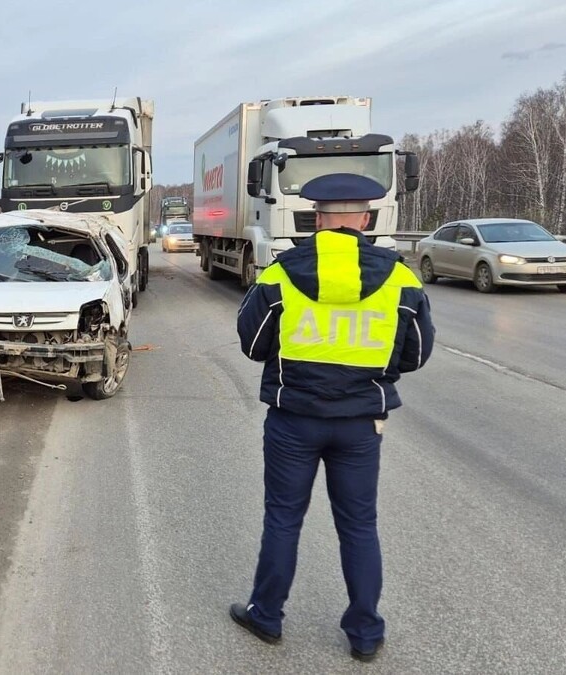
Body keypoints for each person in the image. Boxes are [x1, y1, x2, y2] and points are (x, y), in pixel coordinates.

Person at [230, 173, 435, 662]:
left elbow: (253, 343)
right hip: (361, 423)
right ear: (365, 219)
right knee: (359, 525)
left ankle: (268, 616)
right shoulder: (401, 277)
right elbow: (417, 352)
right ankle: (365, 634)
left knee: (283, 519)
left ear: (316, 219)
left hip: (293, 419)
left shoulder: (281, 274)